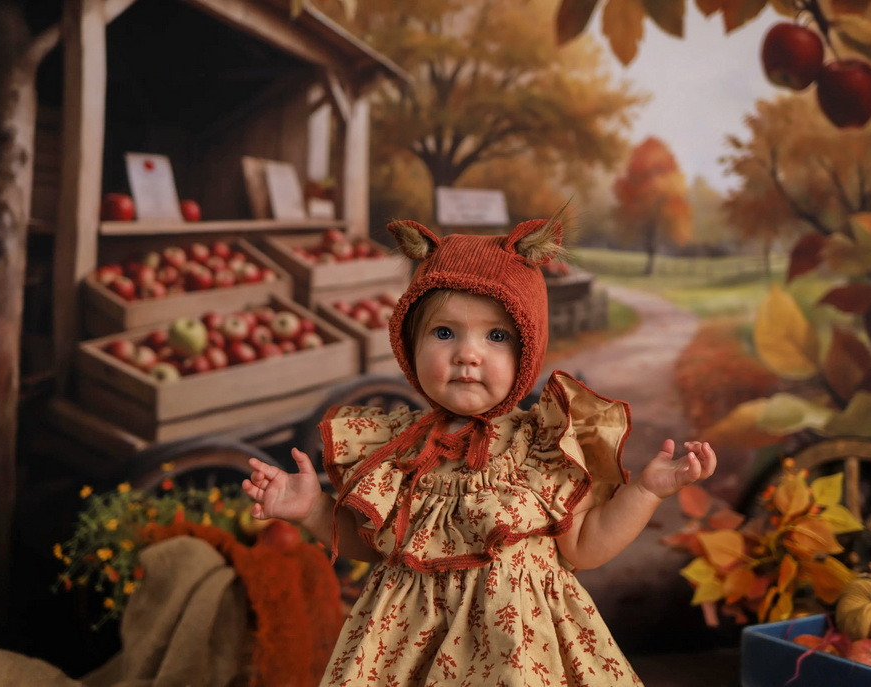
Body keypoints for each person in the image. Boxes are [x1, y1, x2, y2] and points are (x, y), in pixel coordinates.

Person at [242, 217, 717, 686]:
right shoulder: (400, 448)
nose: (468, 354)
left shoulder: (544, 446)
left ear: (527, 351)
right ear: (409, 344)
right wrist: (311, 509)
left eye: (496, 336)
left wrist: (650, 491)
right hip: (406, 652)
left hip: (516, 654)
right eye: (444, 333)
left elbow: (587, 546)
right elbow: (376, 543)